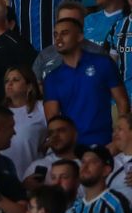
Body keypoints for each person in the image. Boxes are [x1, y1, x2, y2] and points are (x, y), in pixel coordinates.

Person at [43, 17, 128, 146]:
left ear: (80, 36)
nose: (58, 38)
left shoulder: (103, 63)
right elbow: (53, 120)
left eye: (65, 33)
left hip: (104, 145)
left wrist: (117, 142)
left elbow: (122, 102)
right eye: (56, 34)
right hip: (72, 149)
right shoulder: (52, 78)